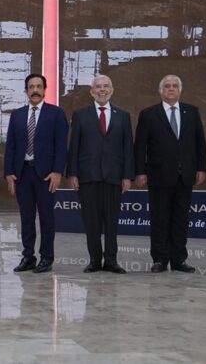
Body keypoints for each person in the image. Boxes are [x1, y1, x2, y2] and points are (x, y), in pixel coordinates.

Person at [134, 74, 206, 273]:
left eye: (175, 86)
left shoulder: (191, 112)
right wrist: (139, 171)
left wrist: (202, 168)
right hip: (158, 176)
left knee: (180, 219)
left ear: (180, 90)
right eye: (167, 86)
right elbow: (140, 147)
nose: (171, 89)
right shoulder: (148, 114)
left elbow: (200, 142)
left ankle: (179, 260)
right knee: (159, 219)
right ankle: (159, 259)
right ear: (161, 91)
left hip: (185, 176)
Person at [67, 74, 134, 274]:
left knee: (112, 221)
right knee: (91, 221)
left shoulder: (123, 115)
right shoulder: (80, 115)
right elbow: (74, 146)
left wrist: (127, 176)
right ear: (92, 91)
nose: (102, 90)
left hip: (114, 176)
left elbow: (127, 147)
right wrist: (73, 174)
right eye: (98, 87)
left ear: (112, 90)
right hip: (88, 177)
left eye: (106, 86)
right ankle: (95, 260)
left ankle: (111, 261)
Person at [3, 73, 68, 274]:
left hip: (46, 175)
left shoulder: (56, 114)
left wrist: (58, 171)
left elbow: (61, 146)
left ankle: (47, 257)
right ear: (26, 91)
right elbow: (11, 146)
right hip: (23, 174)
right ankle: (28, 256)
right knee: (26, 218)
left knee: (47, 217)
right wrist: (9, 173)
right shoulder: (17, 115)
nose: (35, 90)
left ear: (44, 90)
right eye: (31, 87)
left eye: (39, 86)